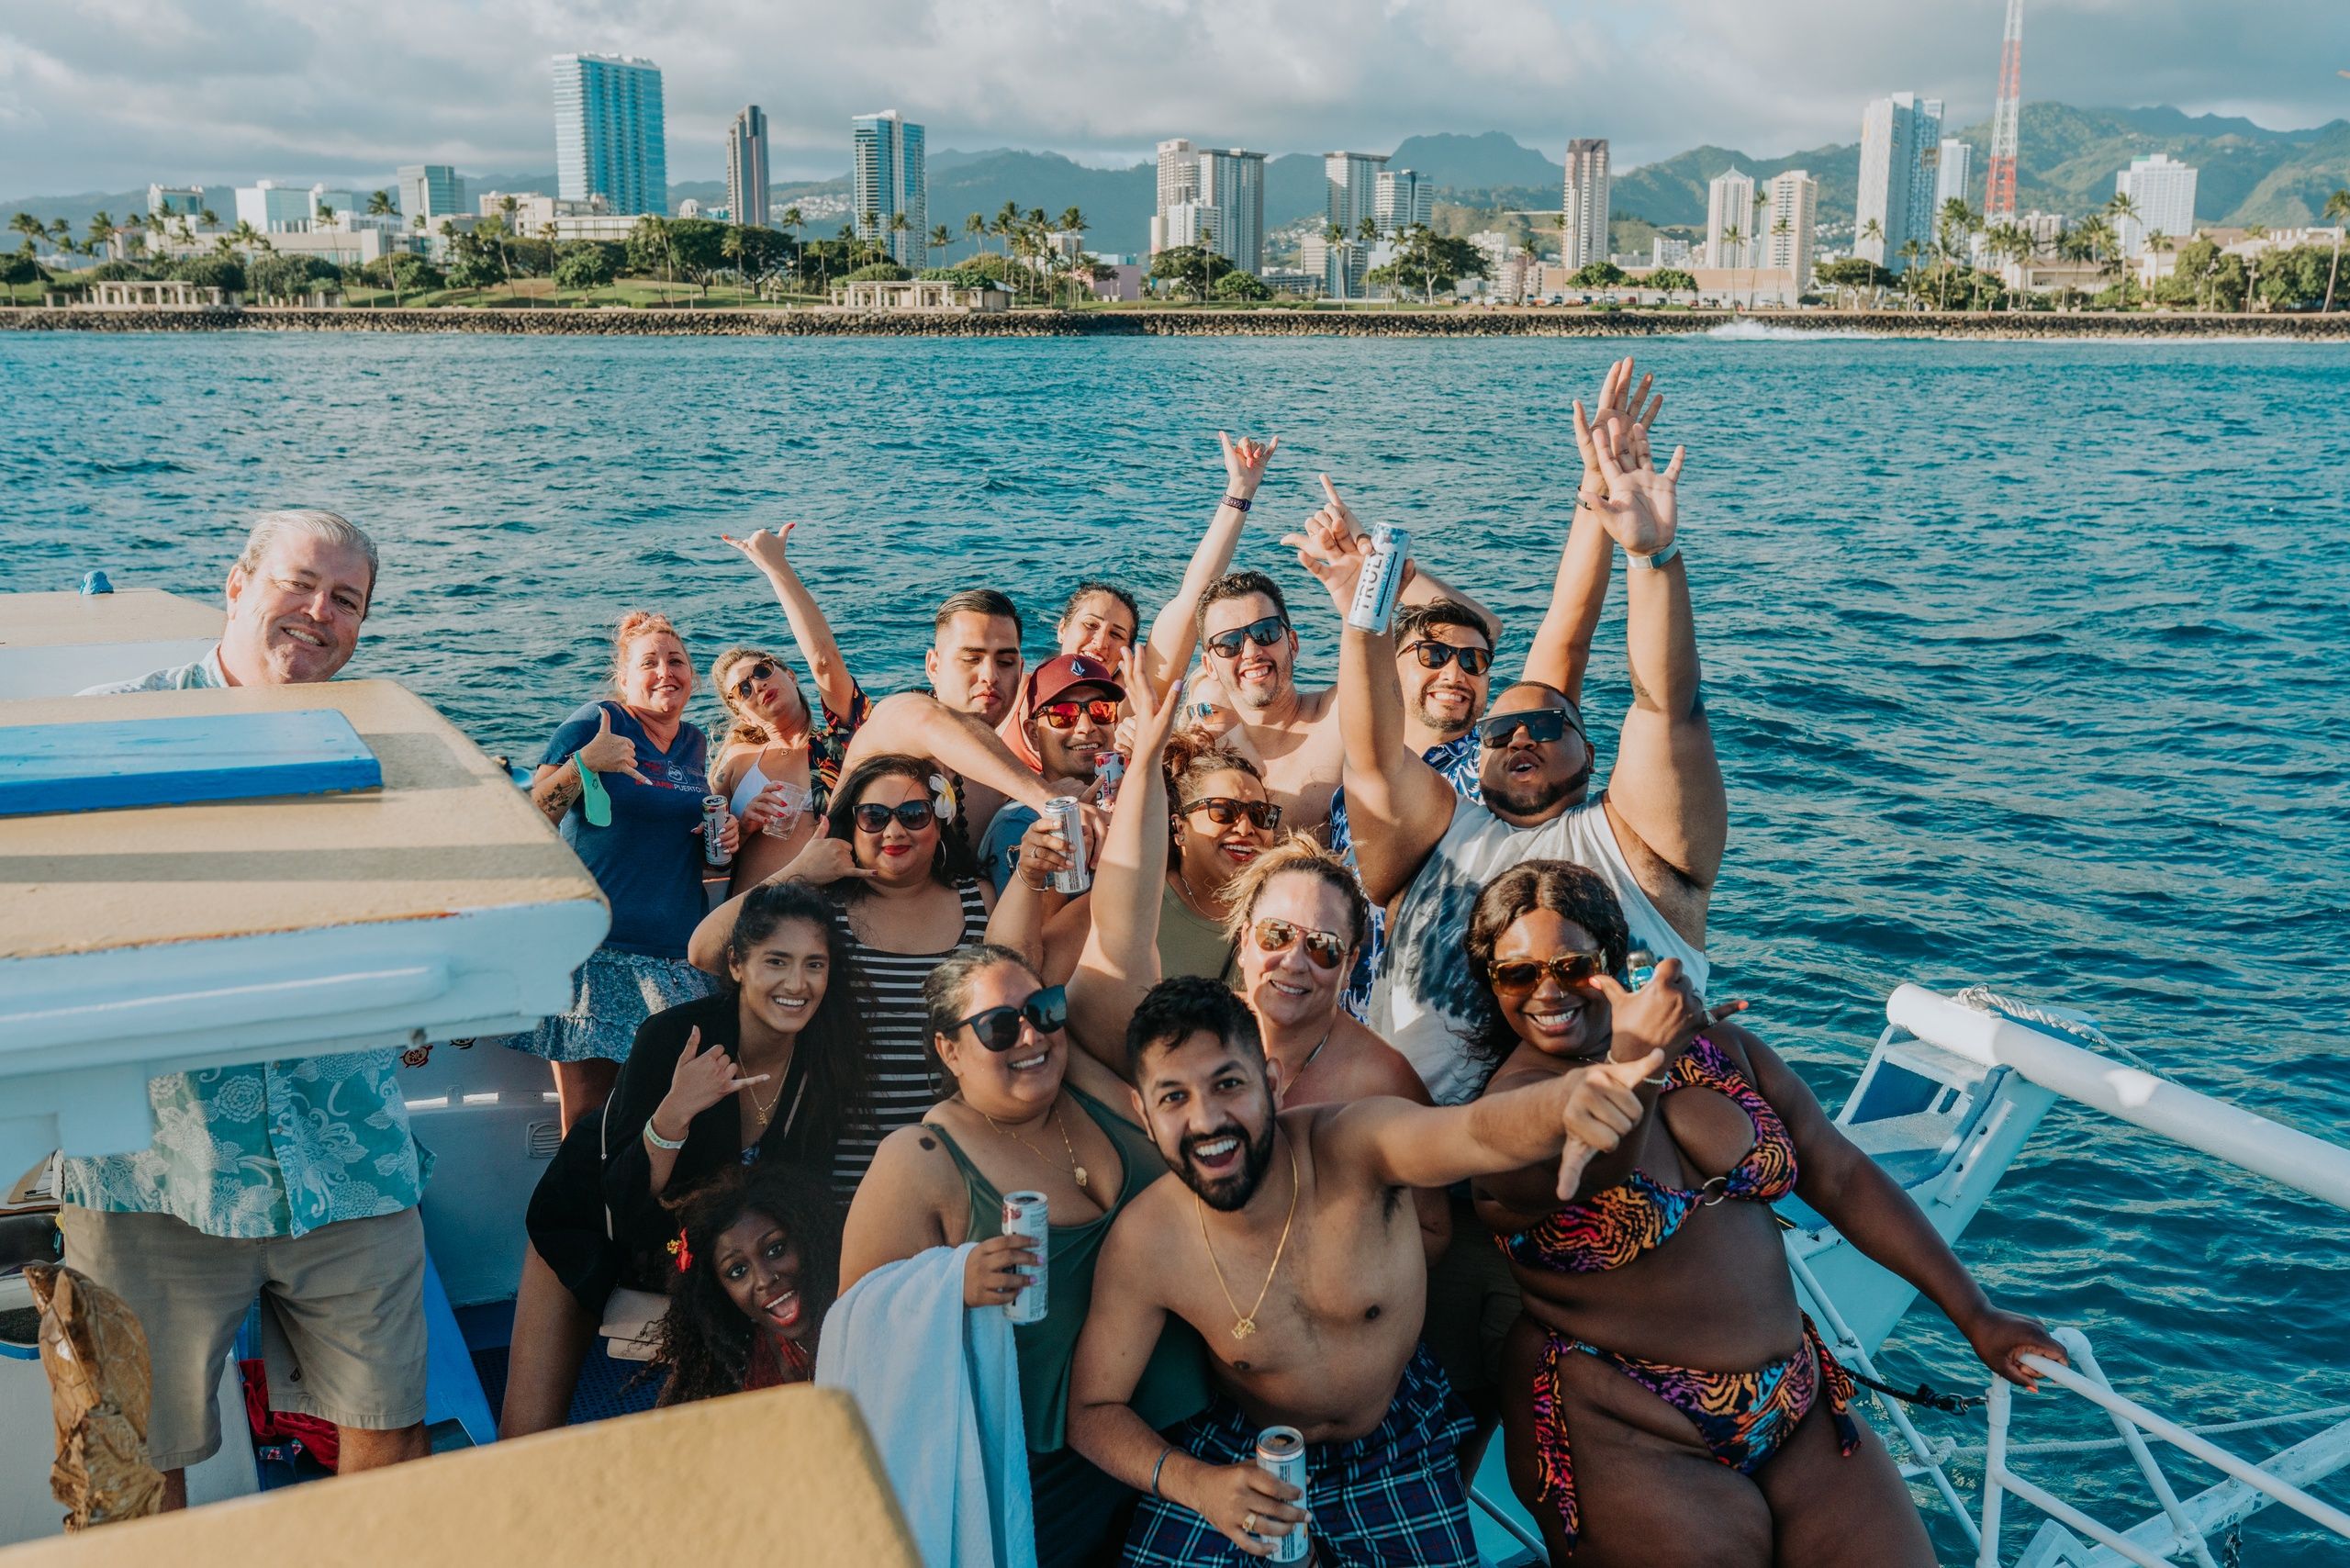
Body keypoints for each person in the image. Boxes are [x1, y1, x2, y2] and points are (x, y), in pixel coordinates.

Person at [1464, 863, 2063, 1566]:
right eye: (1517, 975)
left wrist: (1975, 1314)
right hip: (1622, 1426)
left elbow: (1838, 1175)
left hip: (1795, 1404)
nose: (1548, 991)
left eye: (1572, 965)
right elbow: (1594, 1164)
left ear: (1612, 960)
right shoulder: (1502, 1115)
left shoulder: (1722, 1053)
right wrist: (1641, 1058)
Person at [62, 509, 431, 1505]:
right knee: (130, 1468)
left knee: (391, 1439)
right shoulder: (107, 727)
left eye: (345, 600)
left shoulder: (394, 745)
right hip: (150, 1162)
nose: (319, 613)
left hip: (347, 1150)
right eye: (300, 583)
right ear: (235, 584)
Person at [1065, 977, 1676, 1567]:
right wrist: (1198, 1486)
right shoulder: (1146, 1244)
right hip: (1242, 1448)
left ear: (1272, 1083)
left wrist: (1566, 1102)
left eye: (1228, 1083)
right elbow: (1091, 1409)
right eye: (1174, 1097)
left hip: (1395, 1438)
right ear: (1143, 1115)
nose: (1206, 1122)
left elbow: (1472, 1132)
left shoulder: (1354, 1143)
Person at [1319, 398, 1725, 1111]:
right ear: (1473, 759)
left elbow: (1667, 707)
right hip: (1426, 1165)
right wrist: (1366, 609)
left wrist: (1651, 556)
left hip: (1607, 1161)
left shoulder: (1638, 845)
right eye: (1497, 734)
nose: (1518, 737)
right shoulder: (1436, 838)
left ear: (1592, 753)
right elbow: (1374, 756)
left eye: (1543, 724)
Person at [839, 946, 1209, 1568]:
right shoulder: (921, 1161)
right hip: (1048, 1478)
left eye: (1044, 1009)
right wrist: (952, 1281)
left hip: (1196, 1426)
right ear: (949, 1049)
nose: (1032, 1035)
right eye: (1000, 1027)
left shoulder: (1088, 1086)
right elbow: (856, 1330)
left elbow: (1121, 930)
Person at [501, 879, 876, 1436]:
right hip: (588, 1223)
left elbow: (800, 1196)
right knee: (527, 1435)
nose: (797, 984)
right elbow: (622, 1199)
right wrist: (675, 1113)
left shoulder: (826, 1059)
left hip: (702, 1253)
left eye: (814, 965)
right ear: (738, 965)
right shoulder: (674, 1037)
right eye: (777, 961)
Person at [690, 754, 1004, 1188]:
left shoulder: (979, 901)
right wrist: (799, 870)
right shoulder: (823, 909)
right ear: (852, 829)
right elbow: (705, 950)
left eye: (914, 814)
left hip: (954, 1159)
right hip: (834, 1163)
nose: (894, 831)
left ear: (940, 823)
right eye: (874, 817)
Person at [521, 610, 739, 1131]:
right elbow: (531, 819)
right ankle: (584, 1216)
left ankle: (645, 1214)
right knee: (591, 1118)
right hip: (597, 953)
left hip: (677, 957)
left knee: (673, 1114)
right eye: (650, 663)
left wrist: (728, 839)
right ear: (624, 679)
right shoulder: (598, 721)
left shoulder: (693, 743)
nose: (666, 671)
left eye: (677, 661)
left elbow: (687, 851)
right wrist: (584, 763)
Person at [1186, 478, 1498, 835]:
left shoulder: (1344, 714)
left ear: (1293, 642)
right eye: (1229, 643)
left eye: (1266, 633)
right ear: (1210, 663)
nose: (1253, 651)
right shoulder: (1204, 750)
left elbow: (1482, 630)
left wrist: (1376, 574)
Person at [708, 525, 869, 891]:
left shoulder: (840, 741)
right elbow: (705, 861)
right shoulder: (736, 761)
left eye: (763, 671)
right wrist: (745, 825)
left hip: (829, 915)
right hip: (751, 918)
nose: (758, 685)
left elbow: (825, 661)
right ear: (741, 713)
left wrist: (776, 567)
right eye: (743, 689)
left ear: (792, 675)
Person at [649, 1159, 843, 1406]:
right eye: (737, 1270)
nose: (764, 1280)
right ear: (720, 1292)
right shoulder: (742, 1361)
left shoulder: (864, 1325)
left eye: (776, 1250)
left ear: (808, 1239)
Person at [977, 653, 1125, 892]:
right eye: (1063, 714)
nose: (1086, 727)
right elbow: (1028, 927)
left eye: (1101, 710)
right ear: (1034, 734)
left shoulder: (1137, 799)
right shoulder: (1020, 822)